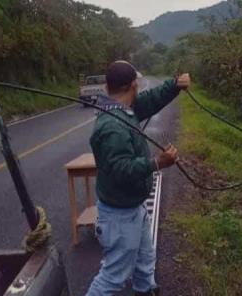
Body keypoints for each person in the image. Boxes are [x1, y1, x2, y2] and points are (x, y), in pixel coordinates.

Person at [85, 60, 191, 296]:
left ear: (107, 87)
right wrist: (157, 163)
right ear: (133, 85)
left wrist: (175, 84)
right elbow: (120, 170)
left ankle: (146, 290)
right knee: (114, 276)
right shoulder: (112, 125)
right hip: (120, 214)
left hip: (133, 207)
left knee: (145, 260)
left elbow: (151, 100)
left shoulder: (121, 109)